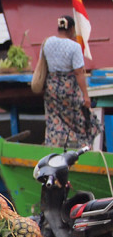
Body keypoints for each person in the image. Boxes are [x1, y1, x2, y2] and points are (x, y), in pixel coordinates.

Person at [41, 14, 97, 148]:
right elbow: (78, 73)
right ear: (71, 29)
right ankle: (79, 147)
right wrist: (85, 95)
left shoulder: (47, 43)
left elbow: (44, 65)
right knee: (77, 119)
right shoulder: (74, 47)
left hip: (51, 86)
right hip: (69, 87)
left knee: (54, 119)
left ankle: (54, 146)